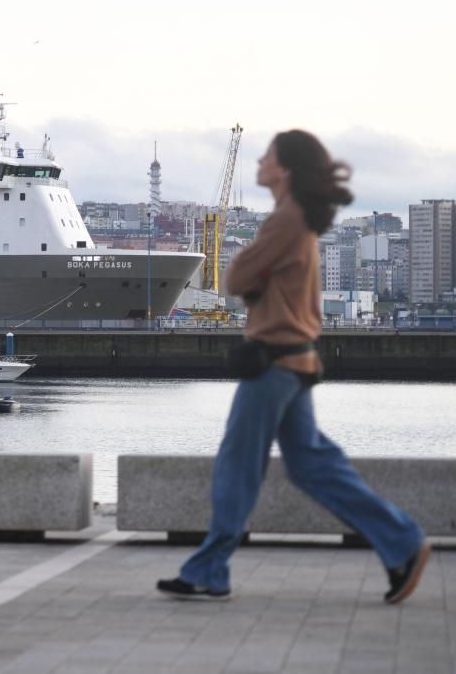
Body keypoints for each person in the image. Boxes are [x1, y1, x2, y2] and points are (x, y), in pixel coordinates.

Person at [157, 130, 429, 605]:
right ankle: (401, 542)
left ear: (282, 169)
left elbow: (236, 278)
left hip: (274, 362)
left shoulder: (284, 221)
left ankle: (210, 568)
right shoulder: (297, 220)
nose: (259, 161)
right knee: (312, 467)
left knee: (237, 466)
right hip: (294, 359)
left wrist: (251, 272)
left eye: (266, 156)